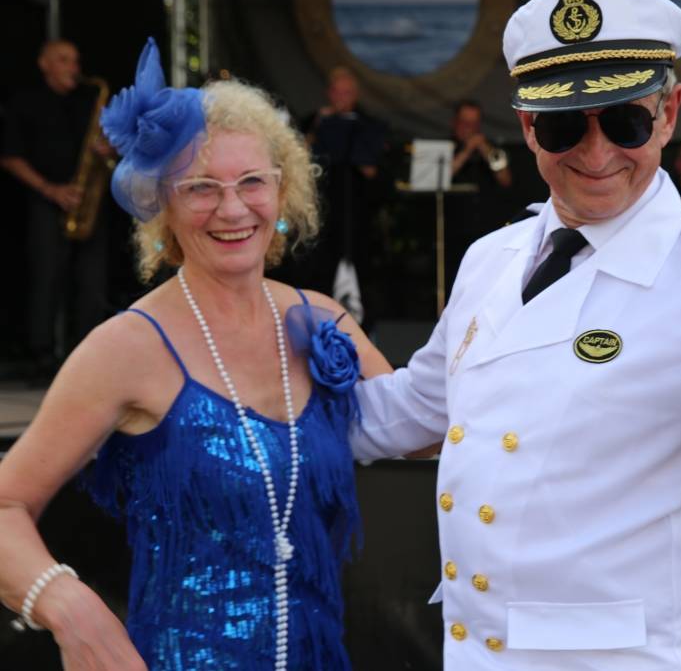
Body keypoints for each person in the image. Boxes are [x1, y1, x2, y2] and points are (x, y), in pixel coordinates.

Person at [348, 0, 681, 668]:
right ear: (528, 125)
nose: (597, 153)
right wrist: (258, 382)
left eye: (626, 121)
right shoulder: (491, 258)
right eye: (563, 126)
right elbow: (410, 411)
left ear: (669, 113)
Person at [0, 38, 390, 670]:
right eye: (201, 187)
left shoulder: (323, 318)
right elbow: (5, 504)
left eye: (252, 182)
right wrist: (68, 606)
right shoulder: (128, 346)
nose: (232, 208)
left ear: (283, 191)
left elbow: (432, 430)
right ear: (163, 206)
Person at [1, 39, 111, 379]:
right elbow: (10, 157)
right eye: (63, 60)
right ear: (44, 64)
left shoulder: (89, 101)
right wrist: (50, 189)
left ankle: (87, 355)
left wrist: (108, 150)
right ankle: (42, 356)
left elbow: (111, 149)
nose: (73, 68)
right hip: (46, 202)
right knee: (47, 278)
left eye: (75, 61)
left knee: (93, 281)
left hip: (87, 201)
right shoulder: (25, 103)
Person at [301, 66, 388, 320]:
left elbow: (376, 171)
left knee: (364, 273)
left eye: (347, 93)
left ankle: (364, 330)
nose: (341, 98)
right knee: (322, 271)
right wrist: (319, 124)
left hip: (359, 211)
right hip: (325, 209)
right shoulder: (315, 121)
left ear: (355, 94)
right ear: (330, 93)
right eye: (337, 93)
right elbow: (299, 156)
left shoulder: (368, 125)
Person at [445, 99, 515, 295]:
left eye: (474, 124)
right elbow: (441, 178)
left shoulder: (492, 149)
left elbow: (505, 178)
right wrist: (467, 150)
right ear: (455, 123)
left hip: (486, 226)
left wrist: (484, 148)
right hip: (455, 226)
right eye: (465, 123)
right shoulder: (446, 147)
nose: (469, 128)